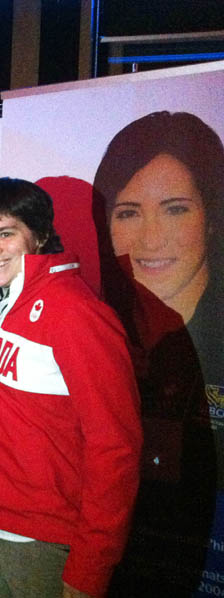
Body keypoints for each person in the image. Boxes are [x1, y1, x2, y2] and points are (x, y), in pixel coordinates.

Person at [0, 177, 142, 598]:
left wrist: (89, 568)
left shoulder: (77, 313)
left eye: (5, 234)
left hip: (44, 548)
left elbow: (115, 449)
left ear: (40, 235)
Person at [93, 111, 224, 594]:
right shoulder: (98, 332)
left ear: (212, 217)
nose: (150, 239)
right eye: (128, 212)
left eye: (175, 209)